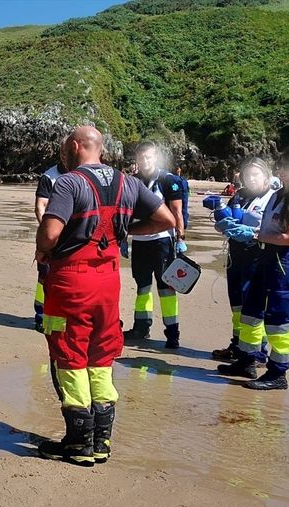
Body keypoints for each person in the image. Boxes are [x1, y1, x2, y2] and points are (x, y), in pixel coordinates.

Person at [35, 126, 174, 466]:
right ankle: (101, 441)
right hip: (109, 280)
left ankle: (79, 441)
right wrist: (126, 232)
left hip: (72, 281)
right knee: (100, 355)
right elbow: (166, 219)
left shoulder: (69, 182)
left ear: (75, 145)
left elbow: (50, 233)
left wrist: (42, 251)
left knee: (69, 355)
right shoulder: (129, 183)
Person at [218, 147, 289, 390]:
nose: (280, 171)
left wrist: (254, 234)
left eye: (285, 167)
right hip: (264, 258)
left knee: (277, 320)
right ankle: (246, 359)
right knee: (251, 313)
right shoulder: (278, 195)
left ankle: (277, 372)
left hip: (283, 263)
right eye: (280, 167)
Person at [211, 157, 278, 364]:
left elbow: (277, 228)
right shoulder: (239, 196)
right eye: (247, 174)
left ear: (266, 176)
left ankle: (258, 351)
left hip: (258, 256)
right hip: (235, 255)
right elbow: (225, 220)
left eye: (255, 174)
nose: (251, 179)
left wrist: (251, 232)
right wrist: (222, 221)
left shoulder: (273, 199)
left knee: (255, 306)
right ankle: (238, 344)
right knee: (238, 304)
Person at [123, 141, 187, 349]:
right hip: (140, 243)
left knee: (166, 288)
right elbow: (126, 213)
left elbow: (177, 212)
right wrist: (123, 238)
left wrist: (180, 239)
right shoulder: (132, 181)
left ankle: (173, 332)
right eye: (141, 158)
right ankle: (141, 327)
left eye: (149, 157)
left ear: (156, 157)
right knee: (143, 287)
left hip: (162, 243)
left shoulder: (168, 181)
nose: (145, 161)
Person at [33, 163, 64, 332]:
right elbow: (40, 207)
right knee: (44, 277)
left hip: (71, 238)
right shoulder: (49, 177)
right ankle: (40, 316)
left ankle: (61, 318)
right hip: (51, 236)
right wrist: (48, 232)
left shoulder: (81, 172)